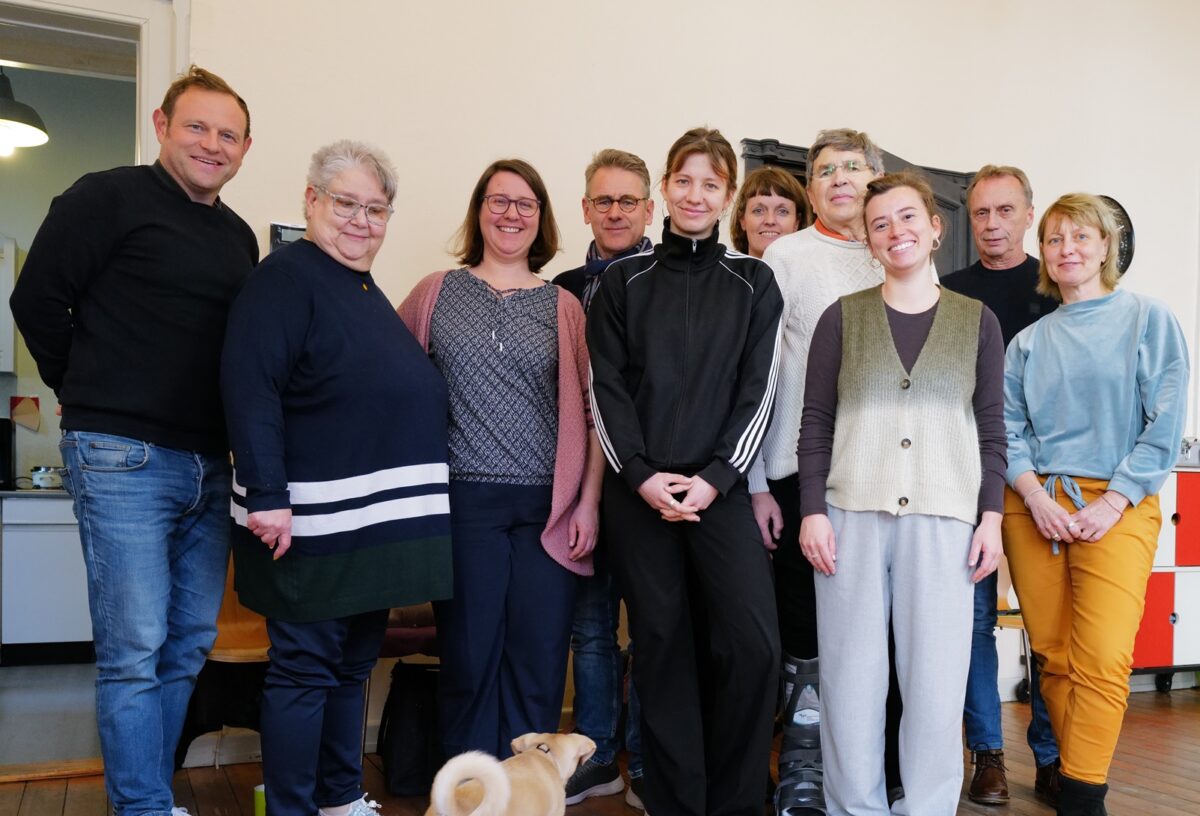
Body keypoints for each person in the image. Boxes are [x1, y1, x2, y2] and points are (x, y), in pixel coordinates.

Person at [9, 66, 256, 816]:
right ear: (161, 124)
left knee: (185, 646)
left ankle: (143, 799)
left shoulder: (239, 236)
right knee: (134, 652)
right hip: (123, 457)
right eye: (197, 127)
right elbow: (36, 299)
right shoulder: (105, 197)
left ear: (246, 148)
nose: (212, 145)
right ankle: (144, 807)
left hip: (211, 464)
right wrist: (80, 388)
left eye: (229, 134)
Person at [220, 141, 450, 816]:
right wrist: (266, 496)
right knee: (305, 670)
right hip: (309, 521)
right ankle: (294, 807)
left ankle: (339, 796)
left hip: (368, 524)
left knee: (350, 667)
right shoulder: (285, 278)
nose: (361, 220)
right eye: (346, 203)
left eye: (376, 208)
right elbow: (250, 386)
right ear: (311, 201)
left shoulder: (357, 286)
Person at [587, 127, 783, 816]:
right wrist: (641, 476)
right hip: (637, 495)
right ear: (665, 188)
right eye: (684, 180)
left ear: (727, 195)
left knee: (752, 647)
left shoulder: (755, 282)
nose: (695, 194)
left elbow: (758, 390)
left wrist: (715, 478)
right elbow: (604, 391)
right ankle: (677, 803)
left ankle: (733, 802)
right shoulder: (621, 280)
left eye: (710, 183)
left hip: (718, 492)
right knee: (662, 648)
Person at [798, 171, 1006, 815]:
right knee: (852, 680)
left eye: (908, 218)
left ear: (936, 227)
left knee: (937, 682)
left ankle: (927, 807)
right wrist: (811, 511)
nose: (896, 232)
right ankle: (853, 808)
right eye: (880, 223)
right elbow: (815, 422)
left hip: (945, 518)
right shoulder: (843, 318)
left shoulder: (977, 321)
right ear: (867, 239)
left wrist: (991, 517)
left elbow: (993, 428)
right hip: (849, 515)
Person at [397, 158, 603, 760]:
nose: (511, 213)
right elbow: (392, 385)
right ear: (479, 211)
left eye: (525, 204)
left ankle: (525, 793)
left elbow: (594, 416)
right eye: (499, 201)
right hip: (464, 506)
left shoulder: (564, 306)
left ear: (541, 219)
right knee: (468, 654)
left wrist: (588, 503)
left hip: (549, 508)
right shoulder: (436, 293)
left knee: (538, 657)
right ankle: (465, 790)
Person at [1002, 193, 1188, 816]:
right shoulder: (1027, 342)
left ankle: (1083, 796)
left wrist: (1114, 502)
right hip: (1036, 508)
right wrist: (1033, 497)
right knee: (1053, 655)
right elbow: (1006, 429)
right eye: (1054, 239)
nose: (1067, 250)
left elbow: (1163, 424)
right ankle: (1079, 785)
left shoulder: (1146, 318)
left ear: (1107, 246)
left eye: (1081, 237)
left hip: (1118, 505)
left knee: (1105, 657)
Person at [747, 128, 896, 813]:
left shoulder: (893, 250)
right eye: (826, 170)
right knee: (806, 635)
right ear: (811, 189)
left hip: (885, 480)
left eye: (853, 167)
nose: (840, 178)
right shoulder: (787, 256)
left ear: (875, 178)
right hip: (795, 474)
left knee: (880, 636)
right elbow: (763, 374)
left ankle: (880, 777)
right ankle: (805, 771)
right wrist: (756, 483)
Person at [940, 164, 1061, 806]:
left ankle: (1050, 755)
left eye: (1005, 211)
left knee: (1046, 627)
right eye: (981, 212)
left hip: (1043, 483)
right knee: (975, 622)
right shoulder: (947, 292)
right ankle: (987, 756)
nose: (992, 224)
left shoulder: (1056, 287)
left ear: (1027, 212)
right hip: (971, 481)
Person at [552, 149, 653, 810]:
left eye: (628, 201)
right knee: (589, 629)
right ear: (585, 208)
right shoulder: (559, 288)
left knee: (652, 629)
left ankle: (645, 759)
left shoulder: (672, 277)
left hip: (651, 486)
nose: (615, 211)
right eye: (603, 201)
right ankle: (594, 753)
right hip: (579, 487)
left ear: (651, 209)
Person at [730, 164, 810, 259]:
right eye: (758, 210)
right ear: (742, 219)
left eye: (782, 211)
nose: (770, 221)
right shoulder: (722, 273)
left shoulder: (815, 272)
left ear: (797, 222)